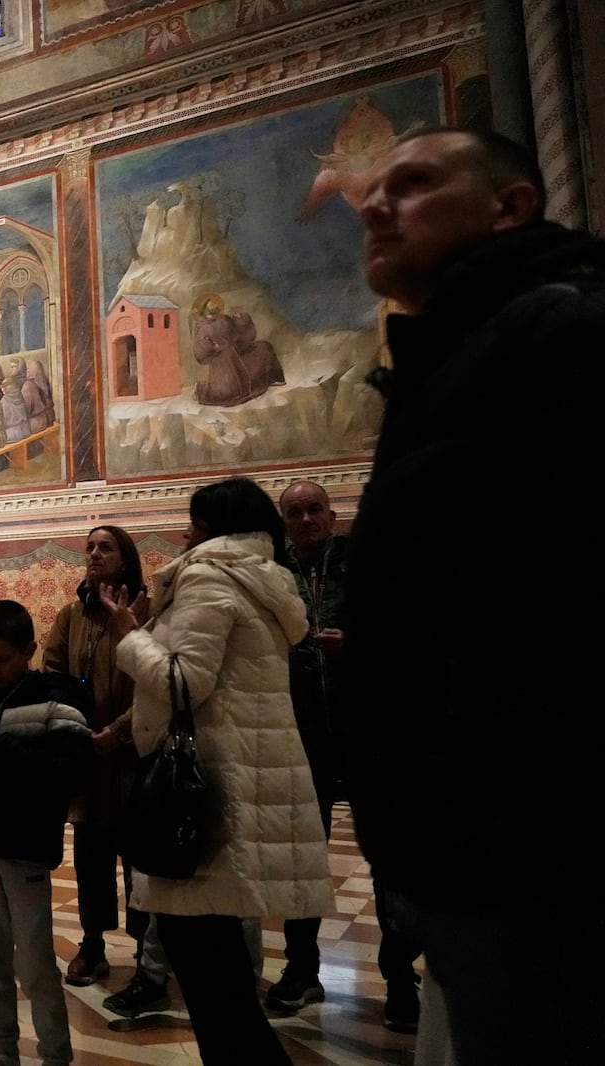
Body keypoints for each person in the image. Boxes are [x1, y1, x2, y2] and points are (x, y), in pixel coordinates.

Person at [345, 126, 605, 1064]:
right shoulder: (451, 359)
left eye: (412, 185)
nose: (374, 205)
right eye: (373, 189)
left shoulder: (563, 329)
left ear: (512, 205)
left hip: (547, 858)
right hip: (477, 851)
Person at [99, 477, 332, 1064]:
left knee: (216, 994)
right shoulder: (259, 579)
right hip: (233, 787)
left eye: (194, 524)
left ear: (215, 531)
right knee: (225, 987)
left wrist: (129, 637)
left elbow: (183, 682)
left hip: (202, 804)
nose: (184, 533)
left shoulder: (208, 576)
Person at [267, 481, 422, 1028]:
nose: (306, 519)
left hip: (369, 730)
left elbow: (412, 631)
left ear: (332, 516)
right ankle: (301, 969)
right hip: (300, 733)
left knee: (388, 859)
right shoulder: (274, 572)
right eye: (294, 512)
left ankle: (401, 979)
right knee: (301, 856)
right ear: (283, 522)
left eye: (314, 510)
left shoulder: (367, 563)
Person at [0, 600, 93, 1066]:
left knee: (34, 962)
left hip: (25, 846)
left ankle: (55, 1055)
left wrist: (2, 752)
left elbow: (71, 770)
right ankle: (2, 1050)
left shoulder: (56, 699)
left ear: (28, 649)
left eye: (4, 659)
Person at [42, 527, 149, 995]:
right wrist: (75, 726)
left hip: (134, 751)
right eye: (89, 547)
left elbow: (154, 678)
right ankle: (92, 944)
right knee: (91, 856)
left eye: (105, 546)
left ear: (124, 557)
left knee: (141, 857)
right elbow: (52, 672)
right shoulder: (71, 614)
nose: (94, 554)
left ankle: (148, 952)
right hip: (87, 752)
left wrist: (120, 729)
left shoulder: (146, 610)